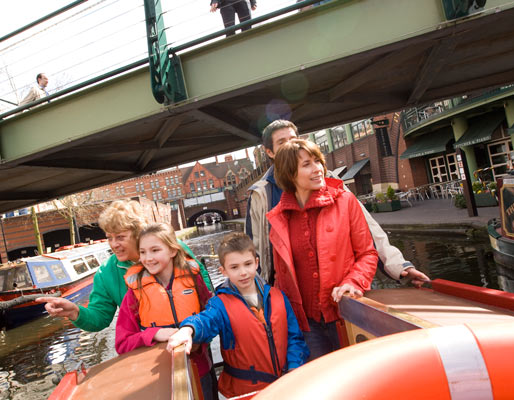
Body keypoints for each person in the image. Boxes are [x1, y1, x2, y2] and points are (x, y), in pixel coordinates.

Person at [246, 119, 430, 287]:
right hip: (290, 296)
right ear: (269, 152)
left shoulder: (329, 181)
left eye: (293, 139)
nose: (291, 145)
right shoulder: (262, 194)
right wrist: (262, 298)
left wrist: (399, 267)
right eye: (282, 142)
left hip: (340, 288)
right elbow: (255, 251)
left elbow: (367, 230)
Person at [267, 138, 378, 360]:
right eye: (307, 164)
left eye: (317, 161)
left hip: (344, 314)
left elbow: (367, 253)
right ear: (290, 174)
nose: (318, 168)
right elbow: (282, 277)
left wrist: (352, 282)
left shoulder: (345, 201)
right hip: (307, 324)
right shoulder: (279, 216)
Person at [167, 232, 308, 398]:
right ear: (223, 271)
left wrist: (293, 368)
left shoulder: (278, 297)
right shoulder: (219, 305)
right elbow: (206, 320)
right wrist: (188, 329)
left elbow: (294, 338)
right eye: (234, 267)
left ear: (256, 263)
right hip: (248, 391)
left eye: (247, 264)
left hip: (285, 384)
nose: (243, 272)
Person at [37, 200, 213, 333]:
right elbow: (99, 318)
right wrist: (75, 312)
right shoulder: (107, 273)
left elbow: (205, 288)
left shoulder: (173, 248)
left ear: (137, 234)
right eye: (109, 237)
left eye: (120, 237)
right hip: (148, 346)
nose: (113, 244)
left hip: (194, 337)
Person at [115, 223, 214, 398]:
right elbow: (122, 343)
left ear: (173, 251)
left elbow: (212, 318)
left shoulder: (193, 279)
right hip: (160, 379)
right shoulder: (135, 292)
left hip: (200, 370)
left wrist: (197, 334)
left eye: (155, 250)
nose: (148, 258)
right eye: (143, 252)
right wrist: (155, 334)